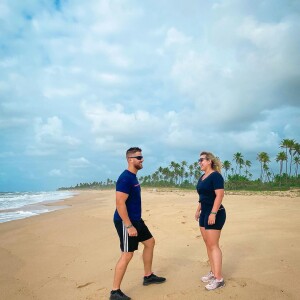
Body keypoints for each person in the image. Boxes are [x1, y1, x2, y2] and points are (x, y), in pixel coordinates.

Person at [110, 147, 166, 300]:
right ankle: (115, 292)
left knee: (150, 242)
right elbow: (120, 203)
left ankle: (148, 276)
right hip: (125, 221)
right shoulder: (125, 178)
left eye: (142, 157)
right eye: (139, 157)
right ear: (130, 159)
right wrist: (128, 226)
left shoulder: (133, 177)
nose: (142, 160)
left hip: (136, 219)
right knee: (127, 254)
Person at [195, 151, 226, 291]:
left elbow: (219, 195)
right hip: (204, 213)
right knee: (208, 243)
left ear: (209, 161)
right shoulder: (202, 177)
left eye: (202, 160)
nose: (199, 162)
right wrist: (198, 210)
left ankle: (219, 279)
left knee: (213, 245)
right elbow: (203, 196)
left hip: (216, 213)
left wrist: (213, 213)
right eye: (199, 160)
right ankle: (213, 272)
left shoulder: (216, 176)